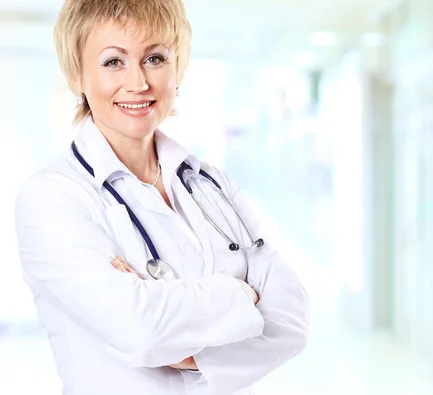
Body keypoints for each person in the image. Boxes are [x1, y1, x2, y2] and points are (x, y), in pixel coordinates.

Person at [13, 1, 310, 394]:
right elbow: (141, 330)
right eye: (113, 62)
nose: (137, 83)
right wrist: (240, 293)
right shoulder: (50, 199)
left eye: (154, 58)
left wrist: (185, 347)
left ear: (178, 69)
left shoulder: (209, 183)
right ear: (77, 74)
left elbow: (292, 321)